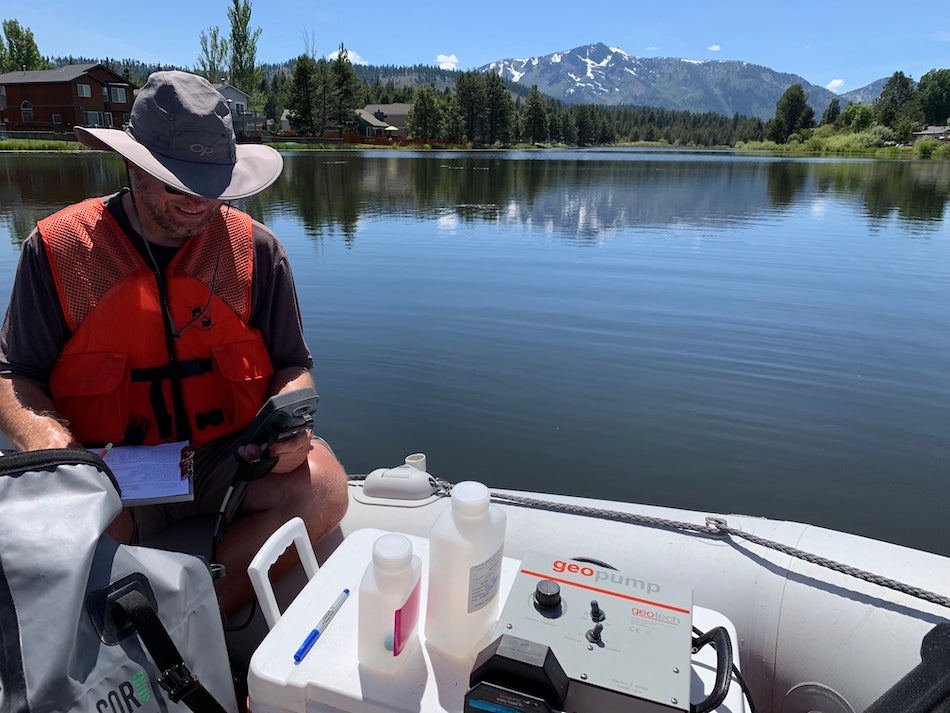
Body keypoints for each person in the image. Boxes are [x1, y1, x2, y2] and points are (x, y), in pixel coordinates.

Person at [0, 70, 349, 618]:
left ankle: (193, 621)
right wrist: (63, 456)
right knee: (62, 531)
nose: (197, 202)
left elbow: (291, 367)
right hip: (108, 466)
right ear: (134, 164)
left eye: (211, 185)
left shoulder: (258, 251)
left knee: (323, 487)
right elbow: (12, 376)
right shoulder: (57, 249)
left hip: (221, 458)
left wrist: (294, 431)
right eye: (176, 183)